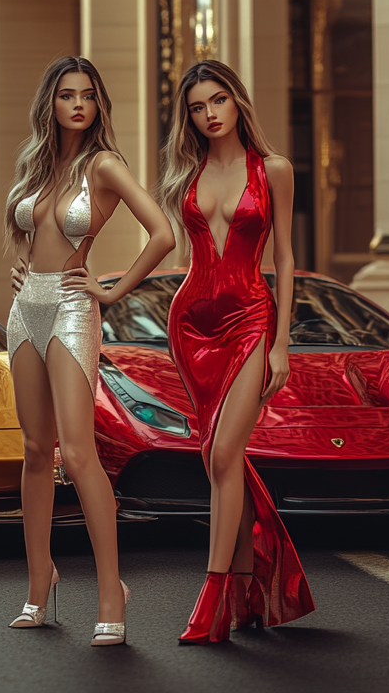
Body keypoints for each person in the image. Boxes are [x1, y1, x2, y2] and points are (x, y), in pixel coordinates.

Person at [5, 56, 175, 646]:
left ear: (99, 105)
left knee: (78, 454)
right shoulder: (35, 164)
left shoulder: (103, 165)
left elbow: (162, 232)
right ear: (50, 104)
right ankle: (38, 583)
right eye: (66, 95)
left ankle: (111, 592)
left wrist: (112, 289)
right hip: (25, 309)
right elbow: (27, 235)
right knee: (33, 450)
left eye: (88, 96)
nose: (78, 105)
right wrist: (22, 267)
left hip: (76, 310)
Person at [156, 60, 315, 643]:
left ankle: (215, 594)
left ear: (237, 101)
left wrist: (282, 343)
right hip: (191, 325)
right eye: (197, 107)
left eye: (218, 100)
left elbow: (286, 258)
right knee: (219, 462)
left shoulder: (274, 169)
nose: (209, 114)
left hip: (250, 319)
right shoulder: (185, 176)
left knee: (226, 455)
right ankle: (249, 590)